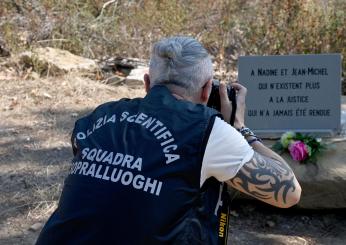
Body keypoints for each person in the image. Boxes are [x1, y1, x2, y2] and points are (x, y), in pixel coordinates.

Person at [36, 36, 301, 245]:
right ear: (208, 88)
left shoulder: (98, 117)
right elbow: (289, 193)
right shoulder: (207, 130)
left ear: (147, 83)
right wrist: (241, 128)